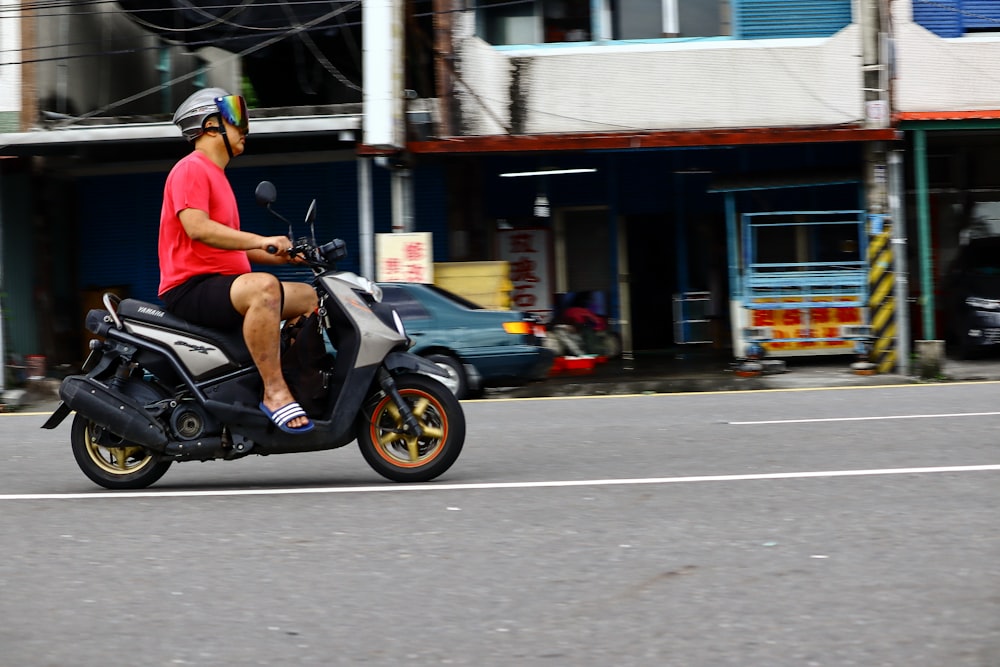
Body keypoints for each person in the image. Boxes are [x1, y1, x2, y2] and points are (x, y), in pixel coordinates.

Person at [157, 87, 318, 434]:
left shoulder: (218, 177)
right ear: (211, 125)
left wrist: (289, 255)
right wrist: (262, 240)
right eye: (237, 117)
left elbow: (236, 248)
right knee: (264, 289)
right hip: (191, 287)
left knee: (308, 297)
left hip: (220, 286)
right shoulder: (191, 169)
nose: (245, 128)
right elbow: (198, 228)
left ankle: (296, 382)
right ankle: (274, 392)